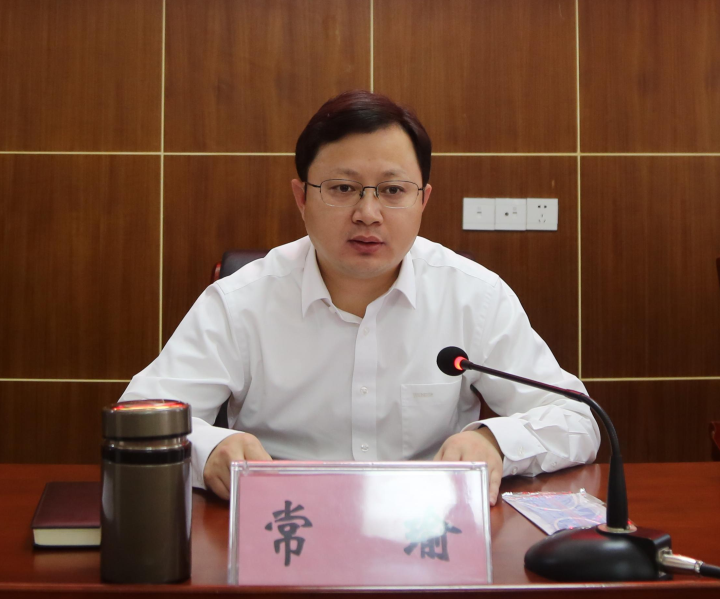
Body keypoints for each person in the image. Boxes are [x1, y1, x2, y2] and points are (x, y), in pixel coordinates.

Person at [121, 90, 600, 505]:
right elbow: (142, 417)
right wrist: (210, 452)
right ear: (301, 198)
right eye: (343, 188)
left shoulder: (474, 296)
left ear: (423, 200)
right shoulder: (241, 301)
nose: (368, 213)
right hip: (286, 528)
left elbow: (578, 419)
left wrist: (494, 443)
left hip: (428, 533)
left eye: (392, 190)